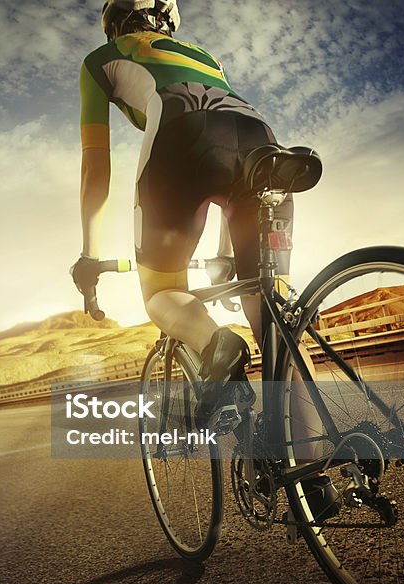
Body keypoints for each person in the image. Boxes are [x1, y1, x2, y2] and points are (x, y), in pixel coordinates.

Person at [70, 0, 339, 521]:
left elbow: (95, 167)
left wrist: (89, 255)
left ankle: (218, 344)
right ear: (168, 21)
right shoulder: (204, 56)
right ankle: (315, 475)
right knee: (270, 310)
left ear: (115, 23)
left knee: (161, 294)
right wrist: (223, 253)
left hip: (180, 137)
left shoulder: (101, 60)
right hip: (262, 140)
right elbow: (226, 149)